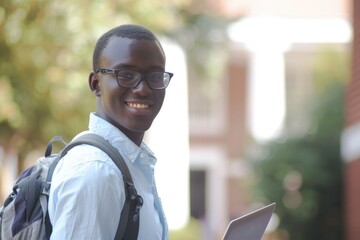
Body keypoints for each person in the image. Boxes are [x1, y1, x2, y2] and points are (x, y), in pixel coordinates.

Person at [48, 24, 173, 240]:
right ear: (96, 84)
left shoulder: (129, 163)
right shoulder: (96, 171)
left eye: (155, 75)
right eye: (126, 74)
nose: (143, 89)